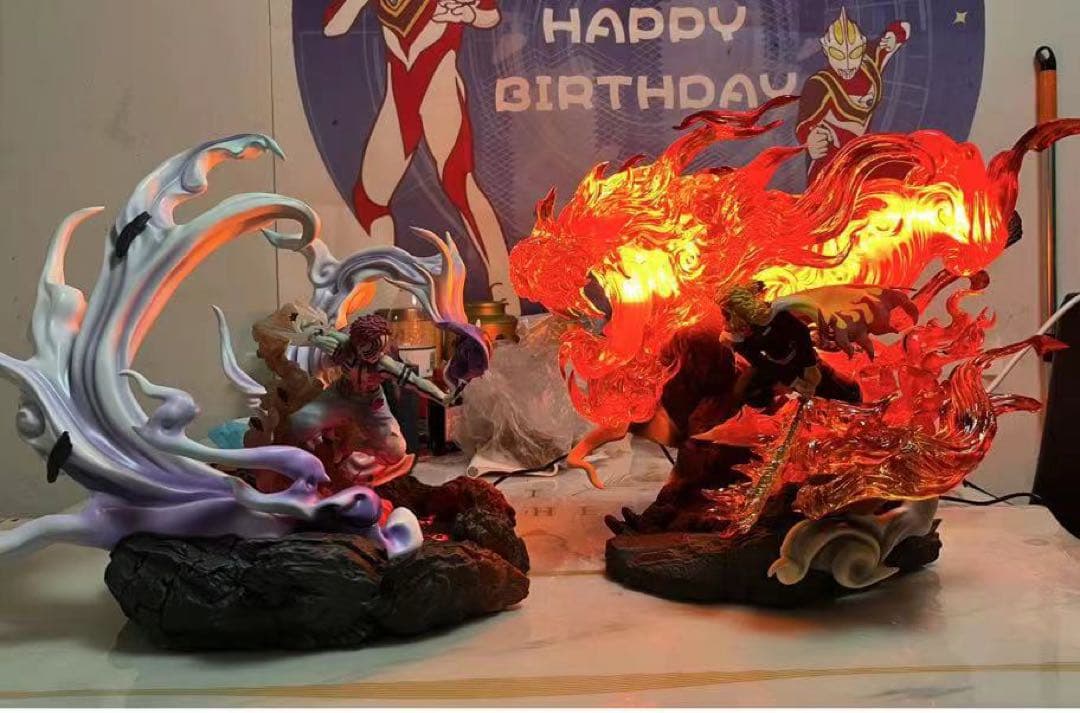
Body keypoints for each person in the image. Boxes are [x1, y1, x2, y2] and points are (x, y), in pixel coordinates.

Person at [323, 0, 519, 313]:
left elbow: (490, 15)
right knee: (370, 200)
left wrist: (466, 13)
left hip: (439, 87)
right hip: (399, 96)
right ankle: (381, 291)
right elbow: (334, 27)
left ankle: (503, 286)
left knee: (458, 183)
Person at [795, 8, 911, 182]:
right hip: (829, 165)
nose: (848, 64)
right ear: (827, 51)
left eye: (853, 54)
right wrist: (811, 140)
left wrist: (894, 36)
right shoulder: (819, 85)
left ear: (861, 46)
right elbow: (804, 125)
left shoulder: (871, 60)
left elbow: (903, 28)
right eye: (838, 55)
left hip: (860, 159)